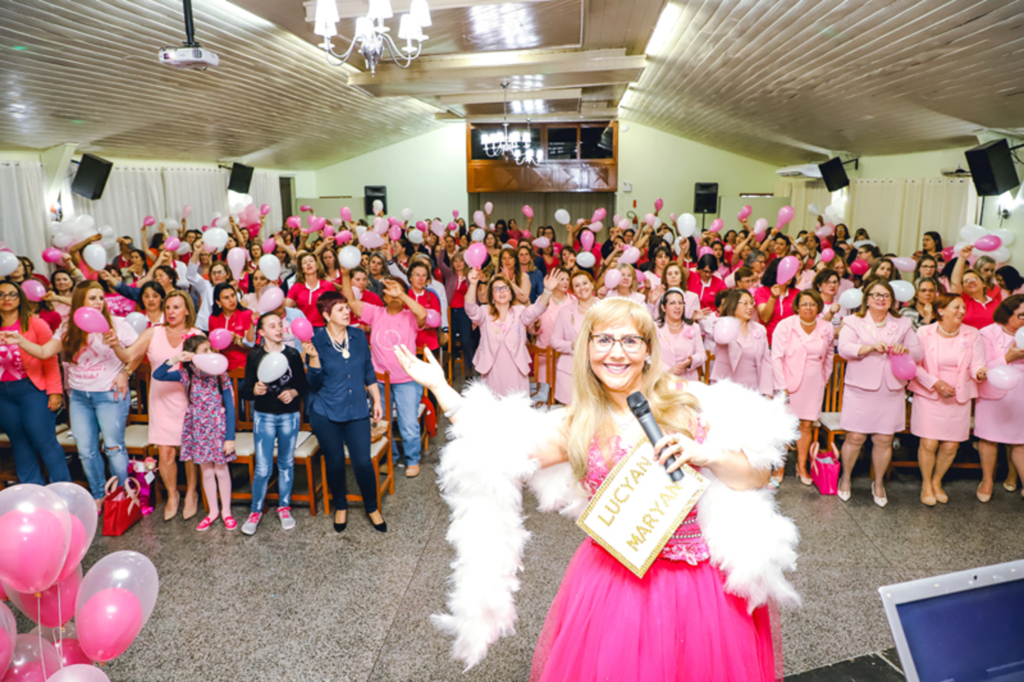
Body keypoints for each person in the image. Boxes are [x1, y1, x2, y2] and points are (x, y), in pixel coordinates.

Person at [393, 297, 799, 681]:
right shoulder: (577, 424)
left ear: (646, 350)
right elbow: (500, 446)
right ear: (587, 349)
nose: (616, 353)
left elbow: (759, 476)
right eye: (603, 340)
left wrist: (707, 455)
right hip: (618, 583)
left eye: (628, 341)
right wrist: (443, 390)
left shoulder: (689, 401)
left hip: (698, 583)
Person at [4, 282, 137, 508]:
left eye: (100, 298)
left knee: (114, 448)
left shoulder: (117, 324)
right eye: (92, 298)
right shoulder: (68, 327)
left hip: (109, 393)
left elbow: (135, 354)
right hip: (79, 396)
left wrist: (122, 364)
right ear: (80, 303)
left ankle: (124, 497)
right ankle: (98, 494)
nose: (98, 303)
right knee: (86, 451)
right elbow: (46, 351)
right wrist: (21, 341)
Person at [302, 291, 385, 532]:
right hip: (326, 412)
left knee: (362, 462)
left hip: (357, 408)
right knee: (335, 462)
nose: (347, 312)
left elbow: (368, 369)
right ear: (326, 315)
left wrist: (376, 400)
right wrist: (314, 360)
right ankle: (341, 506)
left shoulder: (358, 336)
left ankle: (372, 508)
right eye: (340, 309)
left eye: (347, 307)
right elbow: (313, 385)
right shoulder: (316, 341)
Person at [836, 280, 922, 507]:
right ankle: (845, 478)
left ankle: (879, 483)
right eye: (875, 295)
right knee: (855, 437)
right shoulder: (854, 322)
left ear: (892, 299)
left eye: (885, 295)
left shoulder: (903, 323)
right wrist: (868, 348)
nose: (880, 299)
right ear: (867, 298)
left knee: (884, 439)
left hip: (891, 388)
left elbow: (918, 352)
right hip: (860, 388)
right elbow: (844, 348)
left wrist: (906, 349)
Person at [126, 291, 203, 520]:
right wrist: (115, 348)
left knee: (189, 452)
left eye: (176, 307)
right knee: (165, 452)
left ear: (187, 310)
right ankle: (172, 495)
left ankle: (191, 493)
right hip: (161, 399)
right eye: (168, 307)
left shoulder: (195, 335)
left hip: (188, 400)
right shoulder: (153, 332)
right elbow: (130, 354)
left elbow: (209, 366)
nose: (171, 312)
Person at [342, 272, 427, 477]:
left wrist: (402, 295)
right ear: (383, 296)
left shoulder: (410, 316)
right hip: (379, 380)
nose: (393, 296)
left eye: (398, 292)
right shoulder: (376, 312)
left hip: (407, 380)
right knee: (383, 422)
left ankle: (413, 459)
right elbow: (351, 301)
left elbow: (423, 315)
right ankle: (390, 456)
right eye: (389, 292)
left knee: (407, 423)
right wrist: (345, 273)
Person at [152, 335, 238, 531]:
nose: (210, 354)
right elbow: (159, 375)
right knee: (206, 470)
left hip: (217, 425)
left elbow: (230, 406)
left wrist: (230, 437)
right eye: (204, 350)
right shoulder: (186, 374)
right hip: (197, 426)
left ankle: (226, 512)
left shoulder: (220, 374)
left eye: (210, 349)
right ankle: (213, 512)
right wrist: (175, 359)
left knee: (221, 469)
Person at [908, 294, 987, 506]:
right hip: (929, 394)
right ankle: (926, 484)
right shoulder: (924, 332)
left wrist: (980, 373)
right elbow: (914, 365)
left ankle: (936, 481)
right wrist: (936, 383)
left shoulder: (972, 334)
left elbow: (977, 363)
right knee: (929, 442)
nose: (961, 311)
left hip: (958, 397)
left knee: (951, 446)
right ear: (941, 310)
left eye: (963, 307)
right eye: (956, 307)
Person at [240, 312, 309, 535]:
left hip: (289, 416)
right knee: (263, 467)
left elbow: (303, 385)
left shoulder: (292, 354)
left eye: (280, 325)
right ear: (261, 332)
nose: (279, 329)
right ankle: (255, 510)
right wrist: (254, 390)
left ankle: (285, 507)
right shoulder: (254, 356)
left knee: (286, 464)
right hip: (264, 416)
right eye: (272, 326)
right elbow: (245, 390)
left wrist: (294, 391)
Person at [0, 279, 70, 486]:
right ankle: (31, 490)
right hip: (4, 394)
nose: (6, 299)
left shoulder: (35, 323)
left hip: (33, 390)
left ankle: (62, 490)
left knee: (44, 441)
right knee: (19, 443)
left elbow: (50, 358)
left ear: (20, 298)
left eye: (12, 294)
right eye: (1, 294)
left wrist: (55, 391)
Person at [464, 268, 561, 397]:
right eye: (497, 289)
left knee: (516, 407)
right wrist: (473, 284)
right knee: (493, 406)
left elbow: (537, 309)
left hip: (515, 368)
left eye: (505, 288)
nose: (501, 292)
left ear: (511, 295)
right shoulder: (484, 312)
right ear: (492, 296)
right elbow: (470, 309)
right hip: (491, 369)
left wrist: (548, 291)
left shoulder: (520, 311)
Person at [772, 290, 835, 486]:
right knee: (786, 425)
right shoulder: (785, 325)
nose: (808, 307)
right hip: (789, 382)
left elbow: (830, 355)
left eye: (812, 304)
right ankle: (780, 465)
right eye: (804, 304)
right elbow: (776, 357)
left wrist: (824, 378)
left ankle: (802, 466)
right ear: (797, 306)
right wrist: (781, 386)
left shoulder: (826, 327)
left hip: (814, 382)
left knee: (807, 425)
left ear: (818, 307)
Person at [975, 295, 1024, 502]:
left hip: (1020, 393)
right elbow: (981, 366)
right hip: (992, 391)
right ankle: (987, 481)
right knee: (988, 439)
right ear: (1007, 314)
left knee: (1020, 442)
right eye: (1021, 315)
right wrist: (1008, 357)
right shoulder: (986, 333)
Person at [711, 289, 773, 396]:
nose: (750, 307)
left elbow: (766, 363)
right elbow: (721, 338)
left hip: (753, 389)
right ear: (733, 305)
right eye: (745, 303)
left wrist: (767, 391)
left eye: (751, 303)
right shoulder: (722, 325)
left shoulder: (759, 329)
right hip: (726, 388)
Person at [550, 271, 597, 405]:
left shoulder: (605, 309)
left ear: (592, 284)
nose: (582, 287)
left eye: (585, 283)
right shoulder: (565, 312)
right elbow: (554, 341)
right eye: (577, 285)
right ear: (573, 291)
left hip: (598, 370)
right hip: (570, 370)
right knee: (571, 417)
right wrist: (572, 345)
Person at [531, 267, 572, 403]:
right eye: (561, 279)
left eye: (567, 279)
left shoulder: (574, 301)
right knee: (544, 393)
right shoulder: (543, 300)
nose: (565, 282)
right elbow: (531, 326)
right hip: (544, 352)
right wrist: (535, 326)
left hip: (567, 355)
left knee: (566, 392)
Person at [655, 288, 705, 382]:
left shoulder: (694, 327)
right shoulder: (655, 328)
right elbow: (649, 356)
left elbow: (702, 355)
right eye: (672, 303)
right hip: (663, 380)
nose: (677, 306)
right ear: (663, 307)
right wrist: (667, 370)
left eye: (680, 303)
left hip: (689, 381)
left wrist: (691, 361)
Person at [950, 246, 1001, 330]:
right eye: (966, 281)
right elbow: (955, 283)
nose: (971, 281)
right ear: (963, 287)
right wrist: (962, 258)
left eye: (974, 279)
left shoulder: (994, 302)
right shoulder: (962, 300)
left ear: (984, 283)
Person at [754, 259, 799, 344]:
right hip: (768, 342)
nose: (790, 276)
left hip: (792, 341)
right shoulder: (761, 291)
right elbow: (765, 318)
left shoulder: (797, 293)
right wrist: (773, 298)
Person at [286, 251, 335, 328]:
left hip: (325, 327)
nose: (308, 264)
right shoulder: (296, 287)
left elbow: (335, 307)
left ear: (317, 265)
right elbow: (286, 308)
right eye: (305, 263)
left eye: (311, 261)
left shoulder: (328, 285)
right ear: (302, 269)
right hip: (303, 328)